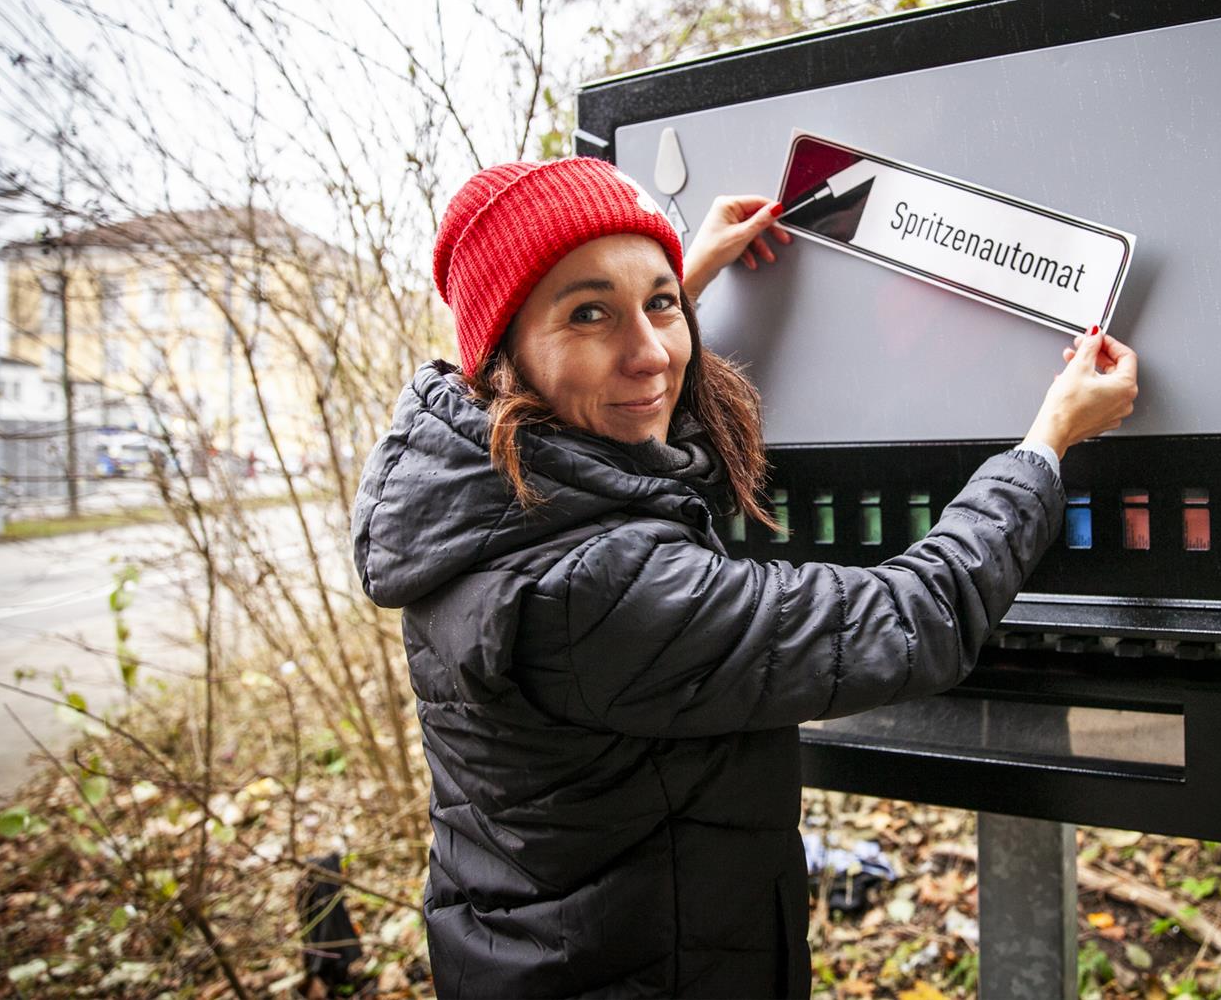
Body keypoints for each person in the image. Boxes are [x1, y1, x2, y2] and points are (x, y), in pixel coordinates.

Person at [352, 158, 1139, 999]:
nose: (652, 354)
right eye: (589, 313)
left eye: (661, 307)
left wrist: (682, 276)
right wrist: (1047, 444)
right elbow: (911, 618)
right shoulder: (594, 592)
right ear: (503, 357)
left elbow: (623, 441)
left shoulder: (470, 500)